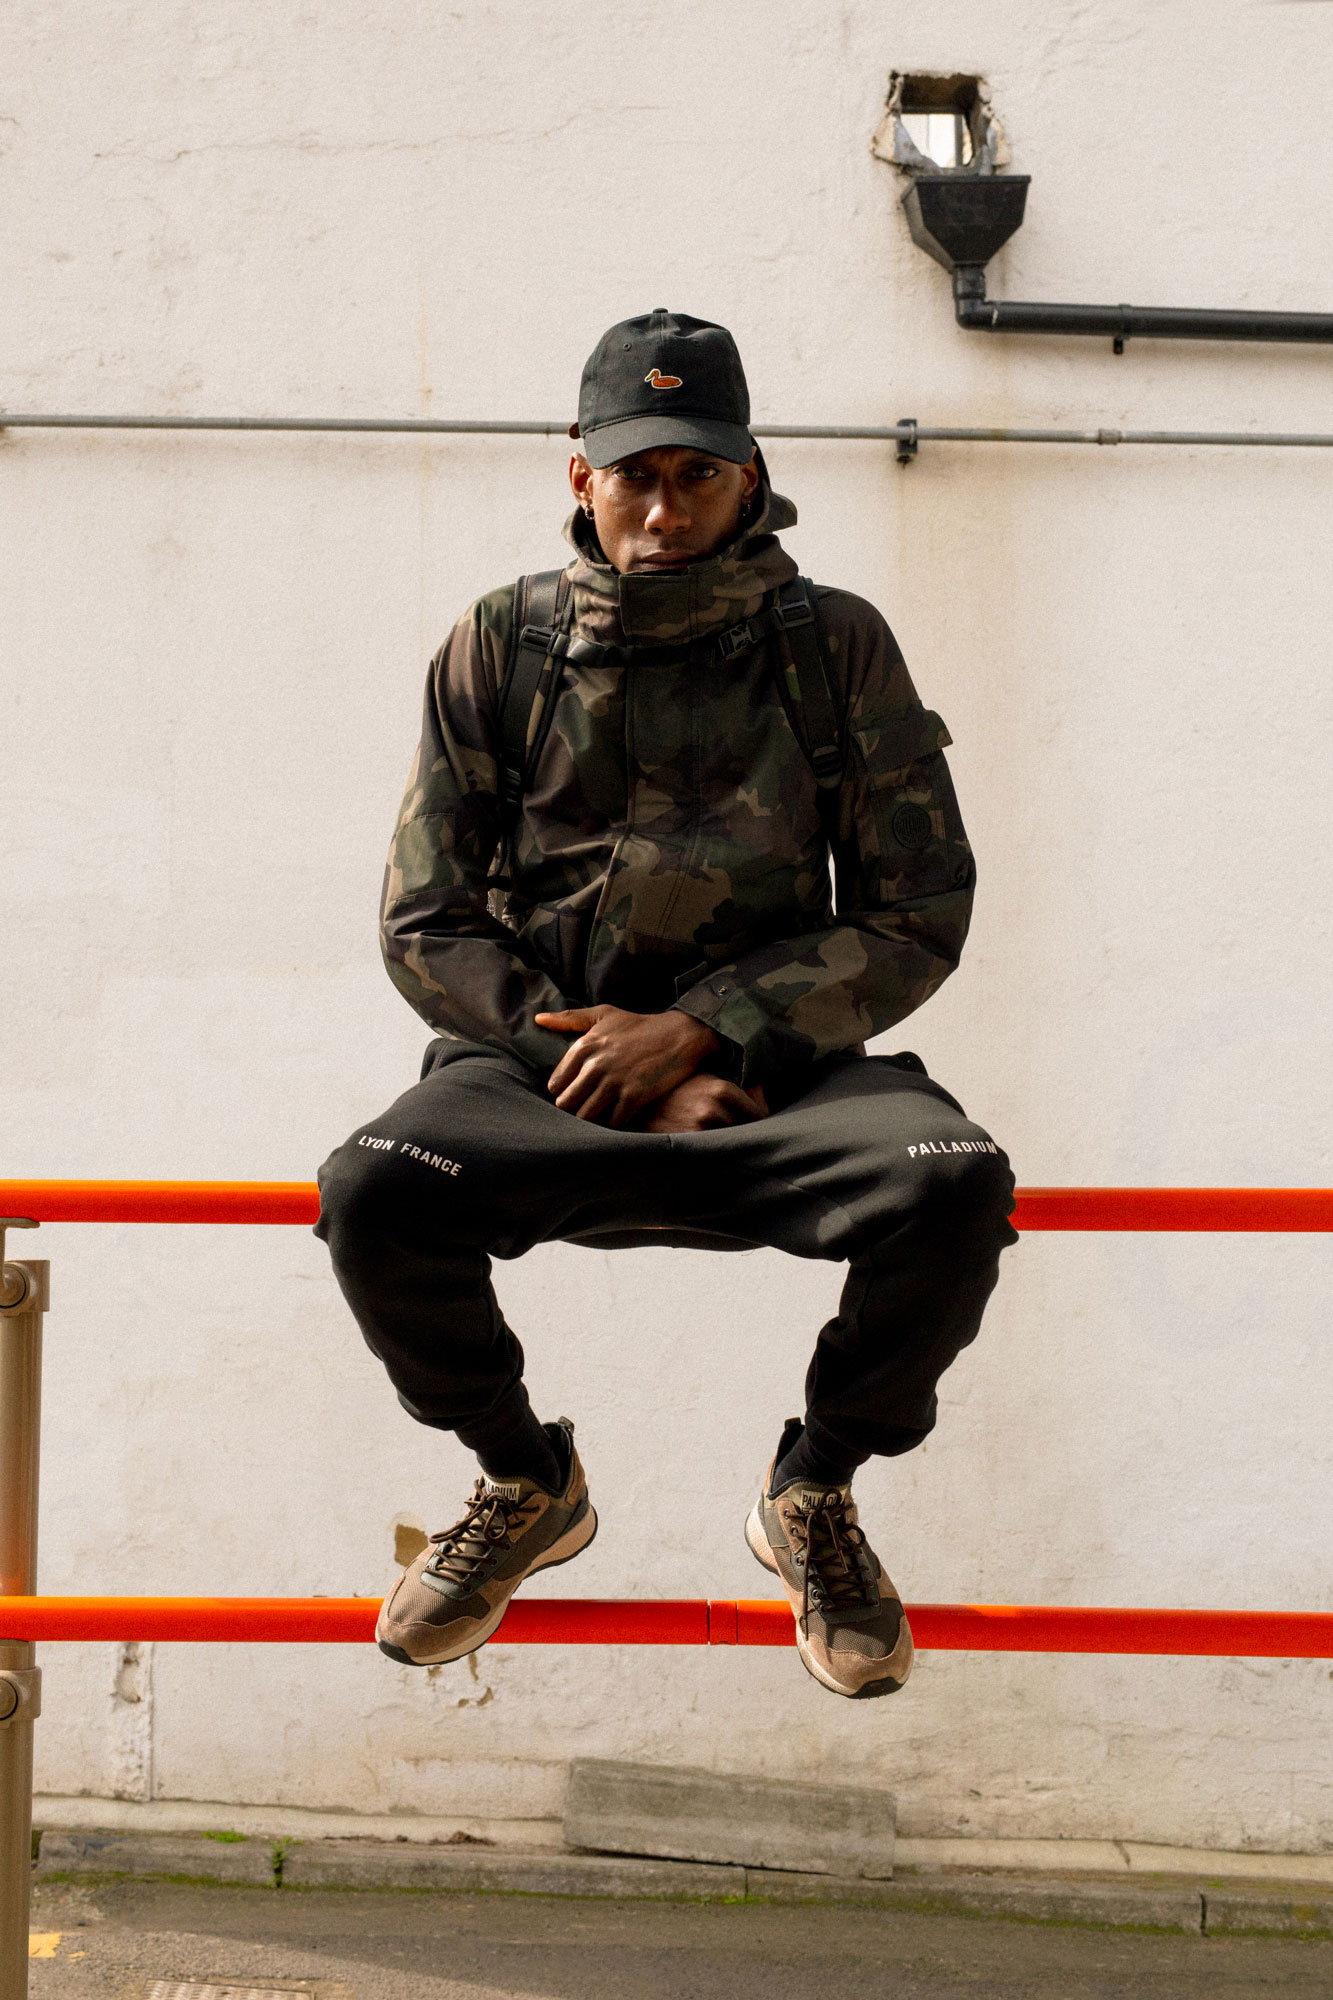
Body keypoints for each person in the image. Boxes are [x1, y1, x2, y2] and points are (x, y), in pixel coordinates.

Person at [316, 309, 1016, 1701]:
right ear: (581, 473)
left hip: (783, 1071)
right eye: (636, 473)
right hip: (538, 1066)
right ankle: (524, 1480)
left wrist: (706, 1031)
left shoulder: (834, 646)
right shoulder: (501, 643)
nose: (664, 506)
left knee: (953, 1181)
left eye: (698, 473)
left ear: (749, 477)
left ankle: (815, 1490)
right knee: (374, 1187)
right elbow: (426, 916)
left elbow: (915, 907)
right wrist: (598, 1059)